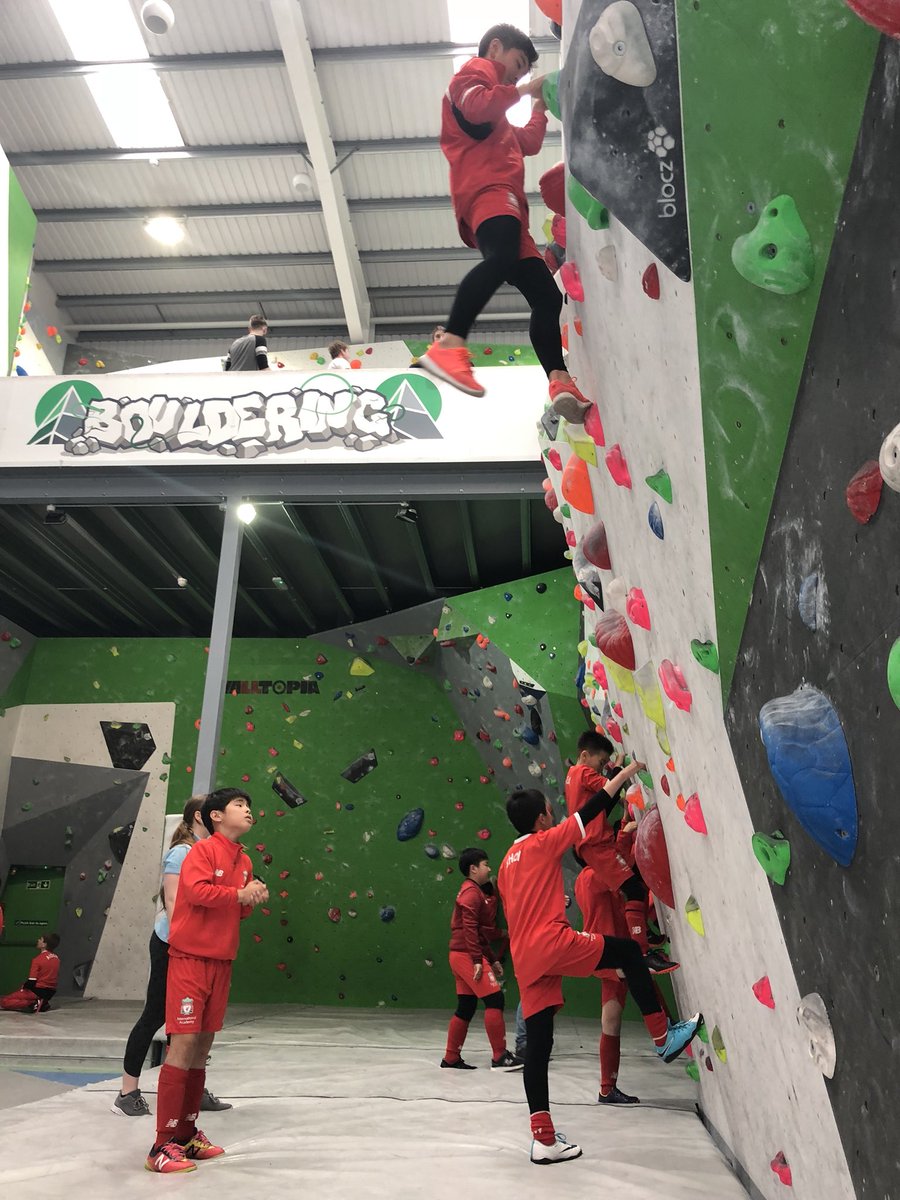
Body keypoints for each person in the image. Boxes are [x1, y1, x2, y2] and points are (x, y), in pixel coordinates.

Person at [497, 774, 702, 1166]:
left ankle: (544, 1140)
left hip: (525, 959)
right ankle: (663, 1037)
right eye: (549, 811)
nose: (552, 815)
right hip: (552, 943)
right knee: (629, 953)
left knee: (538, 1046)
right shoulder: (544, 842)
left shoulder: (507, 862)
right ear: (541, 819)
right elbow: (590, 810)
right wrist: (624, 774)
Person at [418, 23, 591, 423]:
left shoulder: (497, 124)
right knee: (498, 260)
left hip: (508, 208)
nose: (515, 76)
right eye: (516, 63)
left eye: (522, 73)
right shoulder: (472, 74)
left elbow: (527, 142)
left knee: (547, 297)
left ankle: (560, 380)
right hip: (488, 192)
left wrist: (539, 106)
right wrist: (527, 89)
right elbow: (477, 106)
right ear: (495, 48)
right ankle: (450, 343)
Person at [144, 788, 268, 1174]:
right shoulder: (200, 851)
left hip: (221, 962)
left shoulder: (244, 860)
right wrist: (239, 893)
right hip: (190, 961)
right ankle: (161, 1145)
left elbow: (233, 910)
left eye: (248, 806)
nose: (248, 810)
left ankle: (186, 1134)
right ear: (215, 815)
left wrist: (250, 899)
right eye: (239, 805)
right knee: (182, 1046)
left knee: (201, 1049)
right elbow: (197, 893)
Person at [113, 797, 230, 1118]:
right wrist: (188, 946)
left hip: (199, 948)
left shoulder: (212, 852)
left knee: (195, 1023)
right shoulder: (182, 853)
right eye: (216, 810)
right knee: (155, 1015)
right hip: (172, 945)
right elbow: (175, 904)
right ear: (200, 817)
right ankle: (127, 1092)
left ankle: (193, 1089)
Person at [565, 731, 678, 975]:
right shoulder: (582, 772)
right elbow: (609, 789)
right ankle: (642, 955)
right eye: (600, 762)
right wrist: (628, 769)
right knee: (633, 889)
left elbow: (603, 801)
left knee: (634, 888)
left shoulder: (572, 777)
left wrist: (616, 767)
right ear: (584, 756)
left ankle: (643, 941)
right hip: (596, 844)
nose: (601, 768)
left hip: (593, 844)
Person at [442, 847, 522, 1071]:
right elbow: (469, 929)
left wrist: (492, 959)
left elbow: (478, 932)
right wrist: (477, 960)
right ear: (473, 869)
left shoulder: (472, 891)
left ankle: (451, 1058)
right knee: (495, 1000)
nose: (489, 869)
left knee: (466, 1006)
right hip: (466, 956)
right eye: (485, 865)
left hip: (460, 955)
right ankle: (500, 1057)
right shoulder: (471, 893)